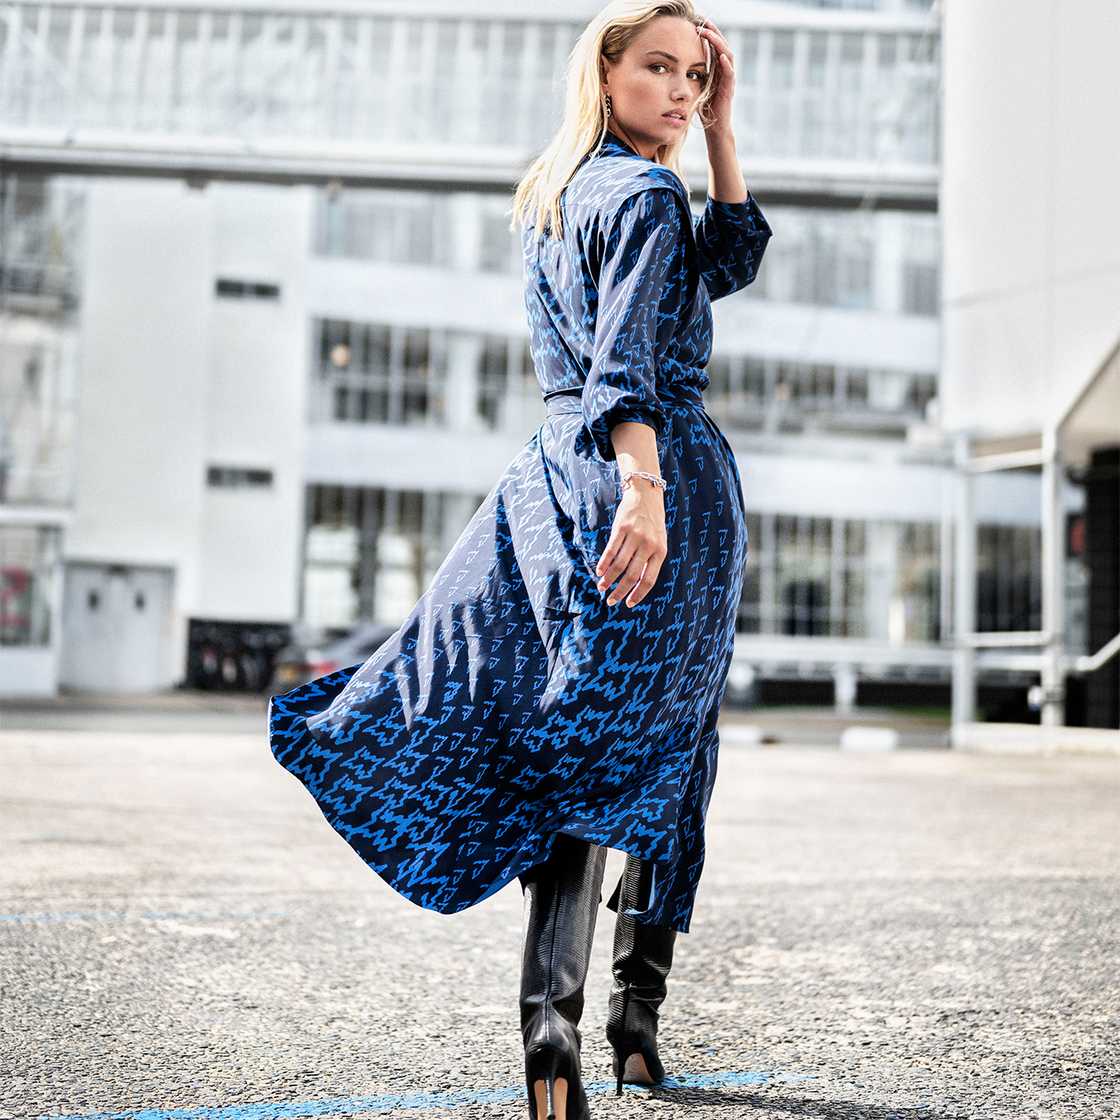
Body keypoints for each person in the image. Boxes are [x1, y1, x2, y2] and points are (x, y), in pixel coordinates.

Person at [267, 2, 772, 1117]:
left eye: (696, 76)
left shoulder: (559, 190)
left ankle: (555, 1035)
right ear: (605, 65)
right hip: (650, 476)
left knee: (582, 745)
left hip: (552, 476)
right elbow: (629, 360)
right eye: (660, 68)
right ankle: (634, 1022)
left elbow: (722, 263)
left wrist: (722, 135)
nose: (683, 92)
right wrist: (643, 490)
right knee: (663, 751)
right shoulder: (642, 193)